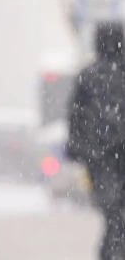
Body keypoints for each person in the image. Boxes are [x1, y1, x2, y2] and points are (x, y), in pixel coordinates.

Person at [68, 21, 125, 260]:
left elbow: (75, 116)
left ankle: (112, 250)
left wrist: (78, 149)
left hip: (99, 158)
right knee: (117, 214)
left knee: (112, 212)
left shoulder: (89, 76)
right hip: (116, 156)